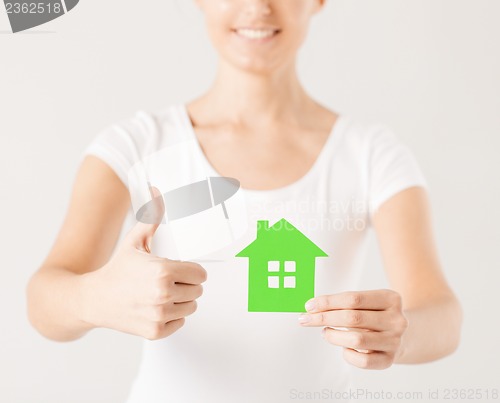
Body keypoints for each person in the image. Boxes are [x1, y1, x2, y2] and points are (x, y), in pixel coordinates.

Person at [26, 0, 462, 402]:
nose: (257, 7)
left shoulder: (371, 155)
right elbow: (44, 301)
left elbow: (443, 316)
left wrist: (399, 334)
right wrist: (95, 297)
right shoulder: (136, 145)